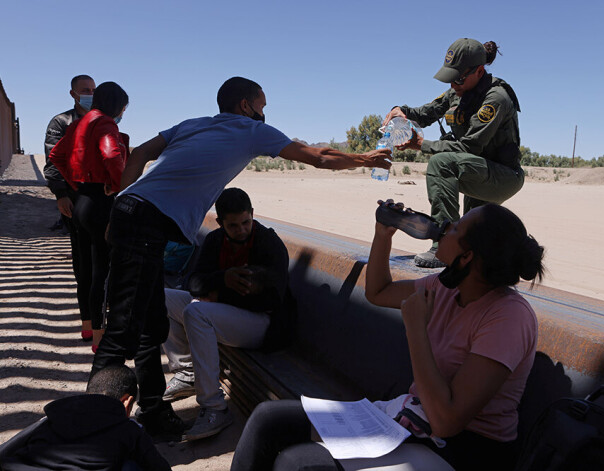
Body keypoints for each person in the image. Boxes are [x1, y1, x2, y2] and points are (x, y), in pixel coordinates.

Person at [90, 76, 391, 438]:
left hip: (135, 213)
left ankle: (153, 413)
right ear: (246, 106)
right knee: (124, 328)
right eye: (262, 105)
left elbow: (139, 153)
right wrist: (364, 158)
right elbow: (320, 157)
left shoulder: (193, 124)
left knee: (151, 321)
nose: (264, 112)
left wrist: (120, 203)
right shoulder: (250, 129)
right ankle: (93, 428)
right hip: (145, 222)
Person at [230, 202, 544, 471]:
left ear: (467, 257)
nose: (443, 228)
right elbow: (378, 292)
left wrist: (415, 329)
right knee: (268, 419)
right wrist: (383, 234)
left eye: (454, 229)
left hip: (464, 450)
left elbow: (448, 422)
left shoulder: (508, 317)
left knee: (299, 463)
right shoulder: (447, 287)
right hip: (415, 417)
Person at [162, 187, 294, 441]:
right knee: (163, 297)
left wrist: (221, 295)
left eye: (246, 222)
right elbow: (194, 283)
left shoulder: (269, 243)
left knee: (196, 312)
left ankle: (214, 407)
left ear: (253, 214)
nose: (242, 230)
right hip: (225, 313)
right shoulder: (214, 241)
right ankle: (188, 372)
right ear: (221, 223)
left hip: (264, 324)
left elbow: (273, 299)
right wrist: (223, 278)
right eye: (233, 226)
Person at [384, 38, 524, 268]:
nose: (453, 85)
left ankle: (443, 244)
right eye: (450, 79)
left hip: (503, 176)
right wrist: (401, 111)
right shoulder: (456, 93)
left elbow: (469, 147)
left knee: (441, 163)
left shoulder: (496, 98)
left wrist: (420, 144)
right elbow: (426, 113)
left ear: (480, 71)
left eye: (458, 79)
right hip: (476, 170)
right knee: (475, 240)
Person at [49, 82, 130, 351]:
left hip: (81, 199)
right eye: (123, 109)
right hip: (99, 203)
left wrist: (74, 183)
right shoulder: (106, 123)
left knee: (84, 268)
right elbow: (112, 154)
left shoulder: (78, 123)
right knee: (100, 271)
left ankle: (87, 327)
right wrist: (118, 184)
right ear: (116, 105)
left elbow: (56, 154)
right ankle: (99, 338)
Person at [0, 365, 171, 470]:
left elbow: (4, 451)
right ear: (127, 402)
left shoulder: (52, 418)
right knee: (131, 465)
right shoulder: (129, 429)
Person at [43, 74, 96, 341]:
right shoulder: (61, 122)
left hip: (100, 202)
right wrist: (61, 195)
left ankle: (99, 319)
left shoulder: (102, 119)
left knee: (102, 263)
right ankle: (88, 321)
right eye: (85, 90)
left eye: (93, 90)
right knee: (83, 263)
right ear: (73, 94)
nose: (90, 93)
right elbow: (52, 161)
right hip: (75, 202)